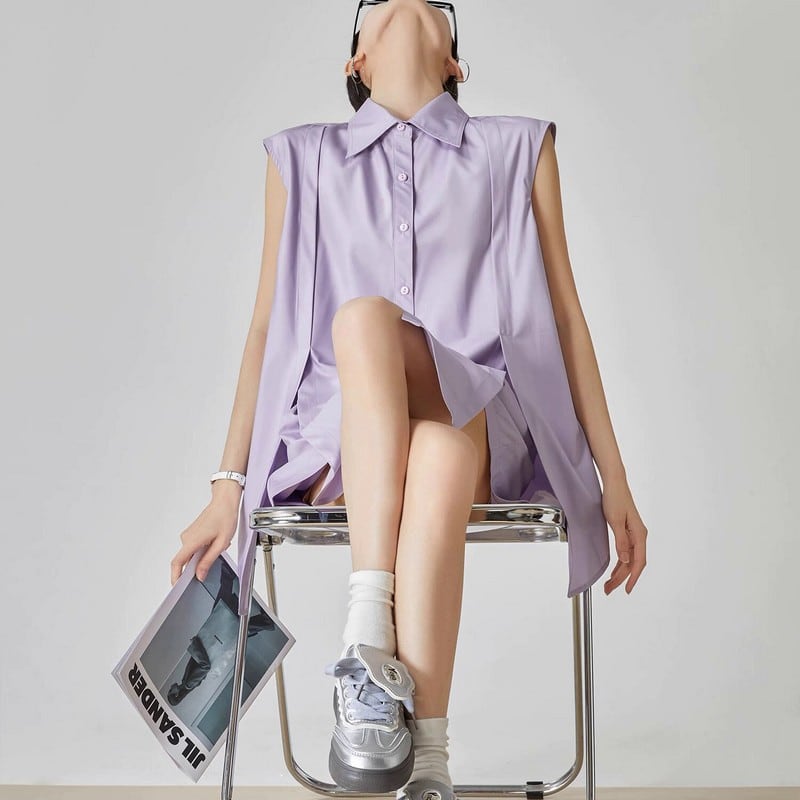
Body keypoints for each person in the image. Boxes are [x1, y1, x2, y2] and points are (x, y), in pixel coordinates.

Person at [169, 1, 648, 799]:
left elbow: (566, 318)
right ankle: (427, 765)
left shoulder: (517, 147)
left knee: (374, 331)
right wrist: (228, 485)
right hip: (344, 443)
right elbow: (265, 328)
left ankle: (366, 636)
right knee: (426, 436)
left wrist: (616, 479)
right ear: (354, 62)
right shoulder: (302, 158)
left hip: (484, 413)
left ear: (456, 63)